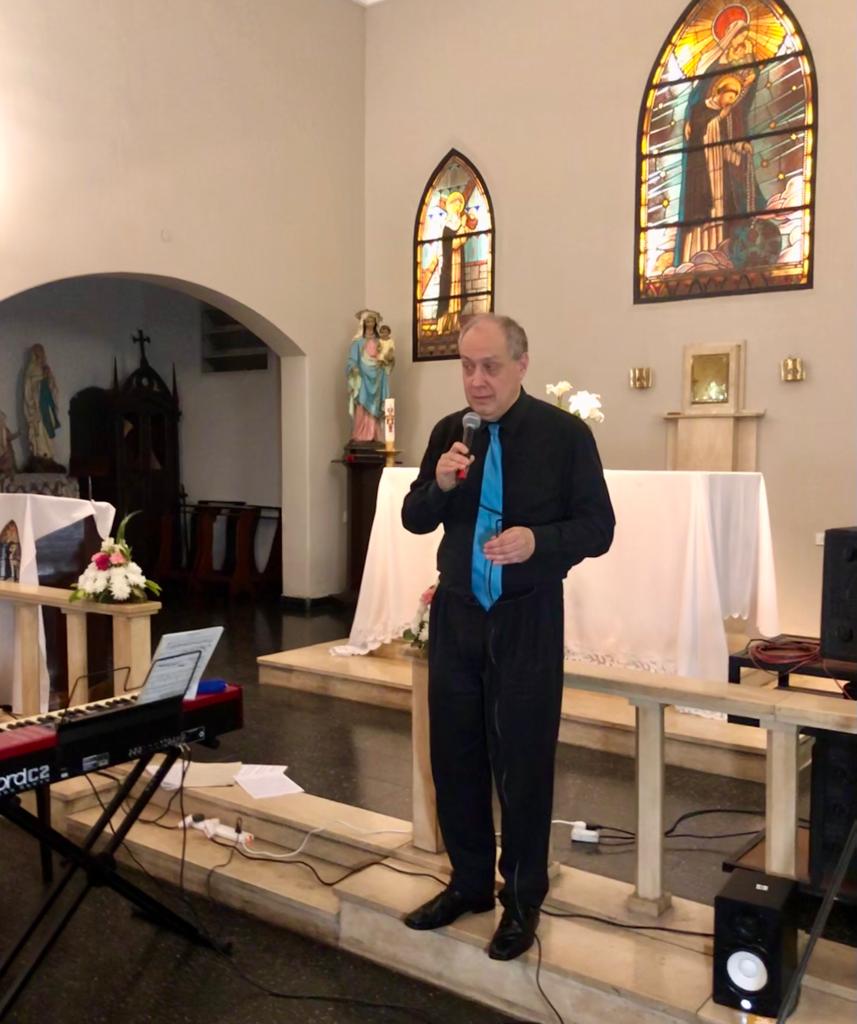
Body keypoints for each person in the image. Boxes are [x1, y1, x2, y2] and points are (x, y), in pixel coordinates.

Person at [401, 313, 615, 960]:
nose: (477, 380)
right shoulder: (450, 432)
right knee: (455, 755)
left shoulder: (564, 436)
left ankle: (521, 901)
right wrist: (439, 485)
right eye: (467, 367)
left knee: (522, 761)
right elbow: (414, 518)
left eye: (490, 366)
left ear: (521, 365)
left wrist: (537, 541)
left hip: (526, 615)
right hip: (458, 614)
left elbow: (598, 527)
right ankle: (468, 884)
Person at [346, 310, 393, 443]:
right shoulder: (357, 342)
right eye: (367, 321)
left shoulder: (380, 341)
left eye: (372, 321)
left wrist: (387, 360)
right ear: (363, 323)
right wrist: (354, 368)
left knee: (375, 407)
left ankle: (374, 435)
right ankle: (359, 435)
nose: (370, 323)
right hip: (362, 377)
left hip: (377, 376)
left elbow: (386, 357)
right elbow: (351, 360)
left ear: (376, 323)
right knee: (361, 404)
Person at [22, 343, 62, 469]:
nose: (40, 355)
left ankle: (48, 455)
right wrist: (39, 383)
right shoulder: (31, 370)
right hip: (38, 407)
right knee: (39, 430)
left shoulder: (46, 368)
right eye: (38, 353)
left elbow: (54, 388)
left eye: (41, 352)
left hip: (46, 403)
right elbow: (28, 390)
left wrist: (48, 377)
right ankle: (39, 454)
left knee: (48, 430)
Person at [0, 410, 19, 476]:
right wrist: (17, 434)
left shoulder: (5, 429)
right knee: (7, 466)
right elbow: (9, 437)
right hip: (5, 452)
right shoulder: (3, 430)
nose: (4, 422)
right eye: (3, 420)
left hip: (6, 451)